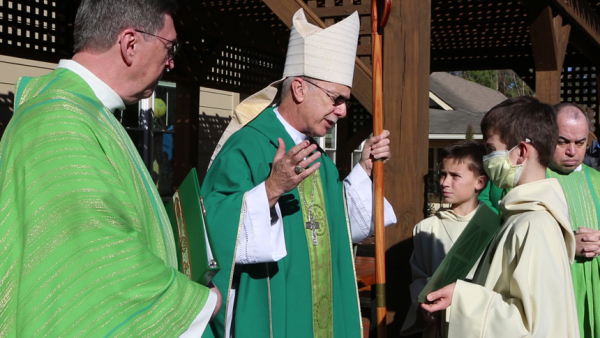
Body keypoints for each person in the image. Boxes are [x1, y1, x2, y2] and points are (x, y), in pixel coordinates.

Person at [0, 0, 219, 336]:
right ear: (130, 44)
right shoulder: (59, 121)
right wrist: (197, 303)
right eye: (169, 46)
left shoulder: (82, 110)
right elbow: (97, 261)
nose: (172, 62)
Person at [201, 9, 396, 338]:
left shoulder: (321, 160)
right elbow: (209, 229)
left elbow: (337, 229)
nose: (344, 111)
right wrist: (270, 189)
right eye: (337, 99)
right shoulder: (247, 147)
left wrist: (364, 169)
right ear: (301, 89)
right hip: (271, 317)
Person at [421, 96, 579, 337]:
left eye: (491, 150)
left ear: (521, 152)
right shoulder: (519, 216)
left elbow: (536, 327)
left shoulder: (535, 225)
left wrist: (462, 298)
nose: (487, 160)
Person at [401, 140, 488, 337]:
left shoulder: (493, 227)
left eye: (455, 176)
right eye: (442, 174)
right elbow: (418, 278)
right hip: (438, 326)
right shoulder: (427, 228)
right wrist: (423, 303)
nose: (444, 183)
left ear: (479, 182)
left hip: (478, 325)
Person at [547, 102, 600, 337]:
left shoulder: (598, 180)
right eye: (563, 141)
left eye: (580, 143)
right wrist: (567, 245)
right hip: (555, 291)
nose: (572, 151)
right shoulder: (531, 180)